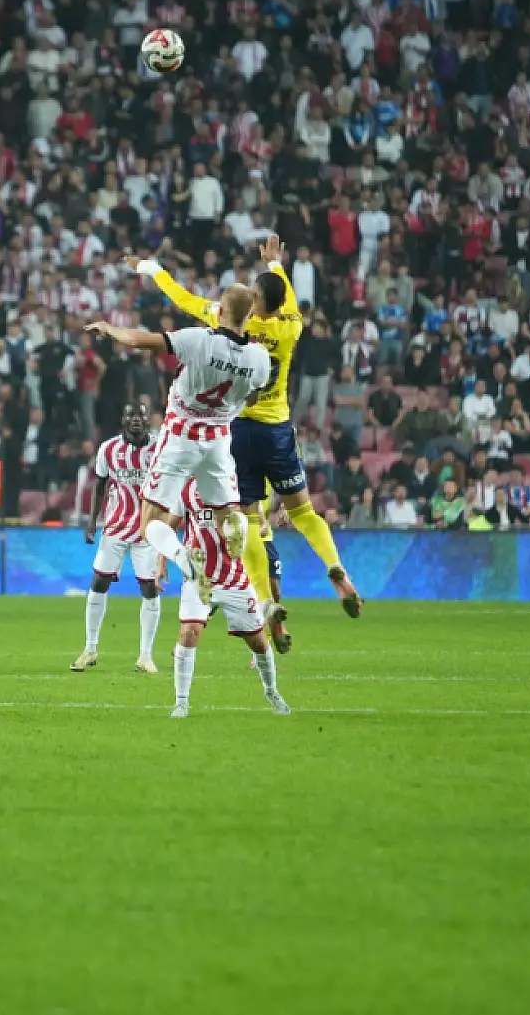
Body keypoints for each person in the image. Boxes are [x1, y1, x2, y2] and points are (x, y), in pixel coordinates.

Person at [142, 237, 361, 639]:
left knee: (249, 522)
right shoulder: (291, 325)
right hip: (279, 429)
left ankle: (265, 601)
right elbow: (288, 298)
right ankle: (335, 567)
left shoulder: (240, 324)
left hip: (239, 429)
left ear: (254, 300)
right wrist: (277, 264)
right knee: (304, 513)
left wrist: (155, 272)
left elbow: (186, 301)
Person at [85, 284, 272, 601]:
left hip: (181, 436)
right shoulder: (259, 358)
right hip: (218, 440)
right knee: (226, 513)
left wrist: (108, 328)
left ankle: (188, 561)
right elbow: (252, 397)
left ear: (221, 312)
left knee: (149, 526)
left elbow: (139, 341)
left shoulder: (199, 341)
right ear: (251, 314)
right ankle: (236, 525)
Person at [169, 478, 287, 719]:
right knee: (189, 632)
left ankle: (271, 692)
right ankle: (181, 703)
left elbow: (251, 515)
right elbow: (170, 526)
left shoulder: (233, 485)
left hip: (233, 578)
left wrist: (258, 525)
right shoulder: (185, 488)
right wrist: (162, 563)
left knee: (257, 642)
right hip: (198, 576)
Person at [73, 404, 163, 675]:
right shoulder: (108, 449)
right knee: (98, 582)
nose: (136, 420)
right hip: (115, 527)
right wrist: (92, 521)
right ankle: (90, 648)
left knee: (149, 588)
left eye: (141, 416)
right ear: (123, 420)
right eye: (131, 416)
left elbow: (171, 485)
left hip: (147, 530)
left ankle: (145, 656)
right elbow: (100, 486)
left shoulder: (160, 449)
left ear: (148, 421)